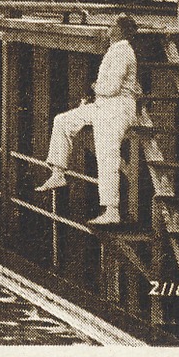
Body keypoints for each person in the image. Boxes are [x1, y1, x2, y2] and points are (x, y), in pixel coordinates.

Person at [35, 14, 141, 225]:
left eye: (112, 25)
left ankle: (112, 210)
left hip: (118, 108)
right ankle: (58, 173)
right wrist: (94, 96)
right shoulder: (116, 50)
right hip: (104, 105)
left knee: (107, 152)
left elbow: (112, 88)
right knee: (63, 121)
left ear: (119, 30)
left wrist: (95, 88)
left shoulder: (123, 51)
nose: (109, 29)